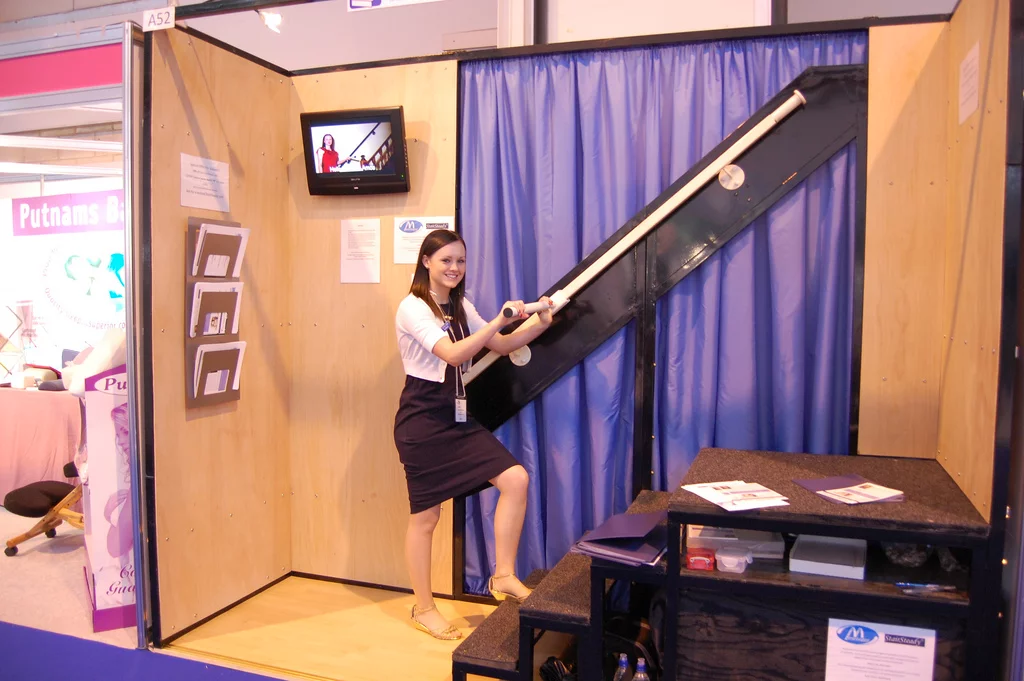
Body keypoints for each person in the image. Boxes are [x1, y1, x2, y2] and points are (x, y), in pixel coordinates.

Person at [394, 228, 554, 640]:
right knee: (426, 516)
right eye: (445, 260)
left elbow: (499, 344)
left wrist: (538, 324)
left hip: (456, 416)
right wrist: (500, 319)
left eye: (460, 261)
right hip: (423, 420)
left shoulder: (460, 304)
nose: (454, 268)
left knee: (515, 478)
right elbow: (453, 354)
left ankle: (502, 575)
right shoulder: (412, 308)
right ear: (426, 262)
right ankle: (424, 607)